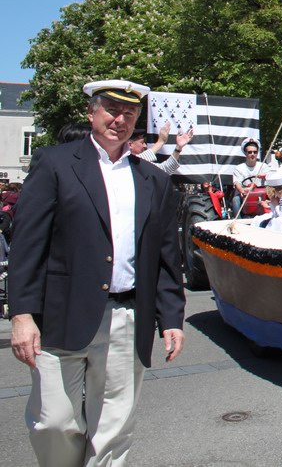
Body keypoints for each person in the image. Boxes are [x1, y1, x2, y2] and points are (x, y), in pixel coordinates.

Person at [9, 79, 185, 466]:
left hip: (127, 317)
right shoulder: (55, 163)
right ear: (92, 112)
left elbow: (165, 257)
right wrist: (22, 314)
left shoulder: (152, 179)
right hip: (62, 315)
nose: (120, 120)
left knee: (113, 428)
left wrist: (170, 317)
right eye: (111, 110)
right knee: (53, 422)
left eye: (130, 114)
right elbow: (27, 244)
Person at [231, 138, 267, 216]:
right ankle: (238, 220)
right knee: (236, 200)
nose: (252, 154)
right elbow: (237, 183)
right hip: (245, 194)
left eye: (255, 152)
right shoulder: (239, 168)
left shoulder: (264, 166)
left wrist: (266, 176)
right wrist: (242, 190)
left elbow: (271, 179)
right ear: (245, 153)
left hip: (261, 193)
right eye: (250, 152)